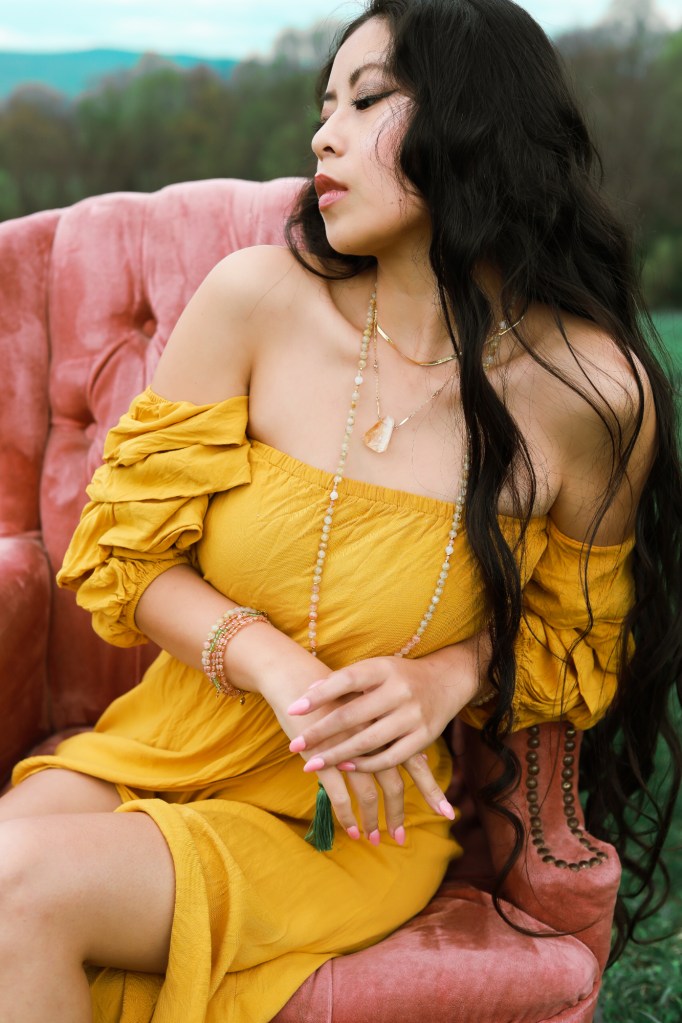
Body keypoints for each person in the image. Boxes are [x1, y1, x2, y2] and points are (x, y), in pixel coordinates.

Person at [1, 0, 681, 1020]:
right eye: (324, 105)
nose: (323, 135)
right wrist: (275, 667)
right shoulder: (255, 300)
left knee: (18, 894)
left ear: (477, 117)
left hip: (351, 813)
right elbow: (126, 561)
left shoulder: (587, 393)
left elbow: (577, 638)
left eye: (366, 100)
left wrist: (449, 672)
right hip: (166, 742)